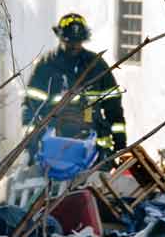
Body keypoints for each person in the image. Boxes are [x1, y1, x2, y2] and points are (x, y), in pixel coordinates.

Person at [22, 13, 126, 162]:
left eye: (78, 41)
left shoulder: (97, 65)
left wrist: (120, 146)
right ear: (60, 38)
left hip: (95, 151)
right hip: (53, 149)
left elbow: (114, 108)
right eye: (69, 41)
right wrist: (30, 146)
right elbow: (30, 108)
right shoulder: (46, 65)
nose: (74, 46)